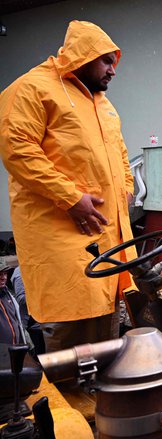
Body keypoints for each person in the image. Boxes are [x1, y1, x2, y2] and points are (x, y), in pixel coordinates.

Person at [0, 21, 136, 352]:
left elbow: (120, 156)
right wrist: (71, 199)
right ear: (82, 56)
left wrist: (127, 191)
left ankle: (97, 396)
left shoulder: (102, 104)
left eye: (113, 62)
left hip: (108, 235)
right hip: (62, 234)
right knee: (72, 328)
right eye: (106, 60)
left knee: (106, 322)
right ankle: (69, 396)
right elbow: (17, 148)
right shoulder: (33, 88)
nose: (112, 70)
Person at [0, 261, 27, 345]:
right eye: (0, 274)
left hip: (15, 348)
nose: (3, 277)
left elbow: (18, 321)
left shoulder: (8, 294)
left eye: (5, 274)